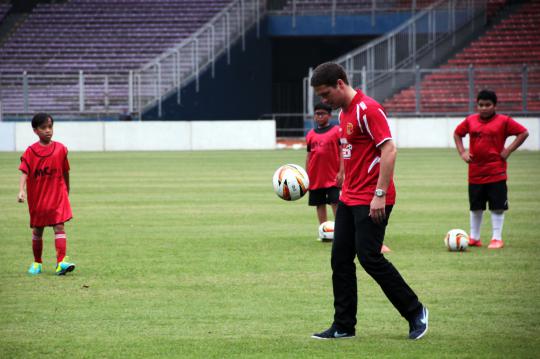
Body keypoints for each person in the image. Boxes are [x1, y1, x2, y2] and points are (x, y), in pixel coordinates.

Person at [309, 62, 428, 340]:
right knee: (340, 258)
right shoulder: (345, 113)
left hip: (373, 198)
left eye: (326, 94)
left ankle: (416, 312)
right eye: (321, 98)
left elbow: (389, 149)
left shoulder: (368, 108)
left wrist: (380, 194)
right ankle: (343, 325)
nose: (324, 101)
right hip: (350, 197)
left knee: (370, 257)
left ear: (340, 83)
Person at [453, 90, 528, 249]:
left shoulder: (504, 121)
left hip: (496, 172)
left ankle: (496, 238)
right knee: (476, 207)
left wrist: (508, 150)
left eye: (488, 105)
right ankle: (474, 238)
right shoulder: (470, 120)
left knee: (497, 206)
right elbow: (457, 134)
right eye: (481, 105)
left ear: (495, 106)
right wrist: (462, 152)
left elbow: (523, 133)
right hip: (475, 172)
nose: (484, 108)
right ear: (477, 105)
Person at [18, 113, 76, 275]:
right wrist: (21, 190)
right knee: (38, 230)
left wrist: (67, 189)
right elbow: (24, 171)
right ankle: (37, 263)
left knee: (59, 225)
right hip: (38, 197)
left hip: (57, 195)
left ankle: (61, 263)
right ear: (35, 130)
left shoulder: (60, 149)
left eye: (50, 127)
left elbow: (65, 171)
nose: (48, 131)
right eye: (43, 128)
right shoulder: (30, 152)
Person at [305, 102, 343, 239]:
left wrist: (341, 172)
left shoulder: (337, 131)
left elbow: (342, 152)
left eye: (322, 114)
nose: (319, 117)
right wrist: (306, 176)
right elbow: (309, 155)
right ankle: (324, 232)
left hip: (333, 175)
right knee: (319, 204)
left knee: (336, 202)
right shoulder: (310, 134)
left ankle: (341, 232)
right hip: (315, 176)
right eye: (317, 114)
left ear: (329, 115)